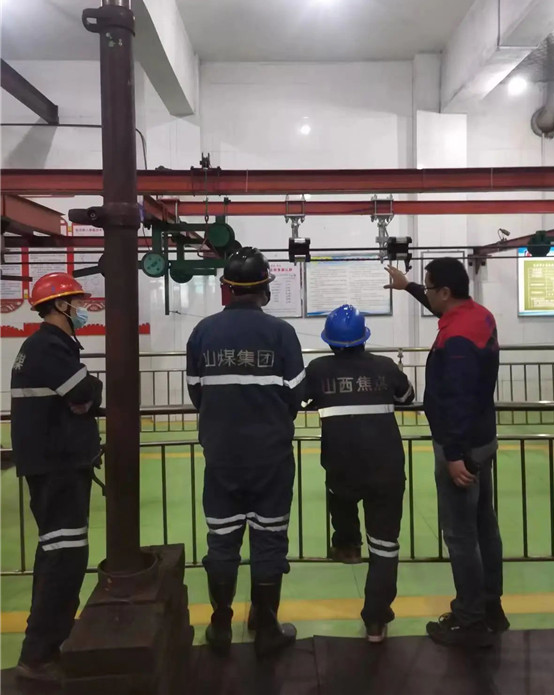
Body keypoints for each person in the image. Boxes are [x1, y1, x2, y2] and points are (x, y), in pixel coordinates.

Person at [186, 247, 305, 657]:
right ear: (265, 289)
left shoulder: (203, 332)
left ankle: (220, 625)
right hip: (271, 458)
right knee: (269, 540)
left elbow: (196, 392)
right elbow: (296, 394)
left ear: (228, 288)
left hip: (220, 456)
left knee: (222, 540)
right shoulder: (281, 333)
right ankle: (266, 626)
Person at [385, 259, 507, 647]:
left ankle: (470, 620)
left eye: (428, 287)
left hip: (462, 448)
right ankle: (491, 606)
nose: (427, 293)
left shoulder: (456, 340)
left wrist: (453, 455)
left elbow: (457, 399)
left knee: (460, 534)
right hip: (483, 440)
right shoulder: (478, 316)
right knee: (484, 526)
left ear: (445, 292)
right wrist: (407, 286)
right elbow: (440, 306)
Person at [11, 273, 103, 683]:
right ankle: (38, 655)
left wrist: (85, 395)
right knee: (63, 560)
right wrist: (90, 391)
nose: (83, 309)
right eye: (77, 302)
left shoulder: (44, 346)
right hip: (57, 468)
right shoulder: (48, 347)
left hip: (54, 465)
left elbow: (80, 395)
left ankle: (51, 643)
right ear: (61, 305)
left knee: (58, 554)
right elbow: (84, 392)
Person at [304, 305, 414, 643]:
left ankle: (347, 543)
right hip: (387, 469)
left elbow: (301, 401)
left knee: (340, 497)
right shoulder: (385, 366)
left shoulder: (318, 369)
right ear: (364, 337)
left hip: (341, 467)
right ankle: (376, 619)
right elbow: (407, 397)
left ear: (330, 341)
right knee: (384, 545)